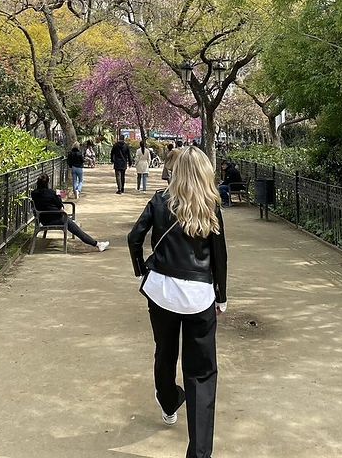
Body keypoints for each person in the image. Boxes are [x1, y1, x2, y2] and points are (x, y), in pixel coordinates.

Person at [127, 147, 227, 458]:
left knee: (165, 351)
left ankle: (169, 401)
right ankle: (198, 453)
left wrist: (142, 268)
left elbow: (134, 237)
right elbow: (220, 255)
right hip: (199, 296)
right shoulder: (211, 205)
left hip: (162, 292)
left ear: (176, 170)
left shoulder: (160, 200)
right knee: (201, 373)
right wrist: (221, 296)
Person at [31, 174, 109, 251]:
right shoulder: (51, 193)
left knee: (72, 224)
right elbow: (60, 205)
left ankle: (97, 244)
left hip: (43, 219)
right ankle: (97, 244)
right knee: (77, 231)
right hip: (57, 219)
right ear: (47, 183)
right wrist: (58, 195)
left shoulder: (34, 193)